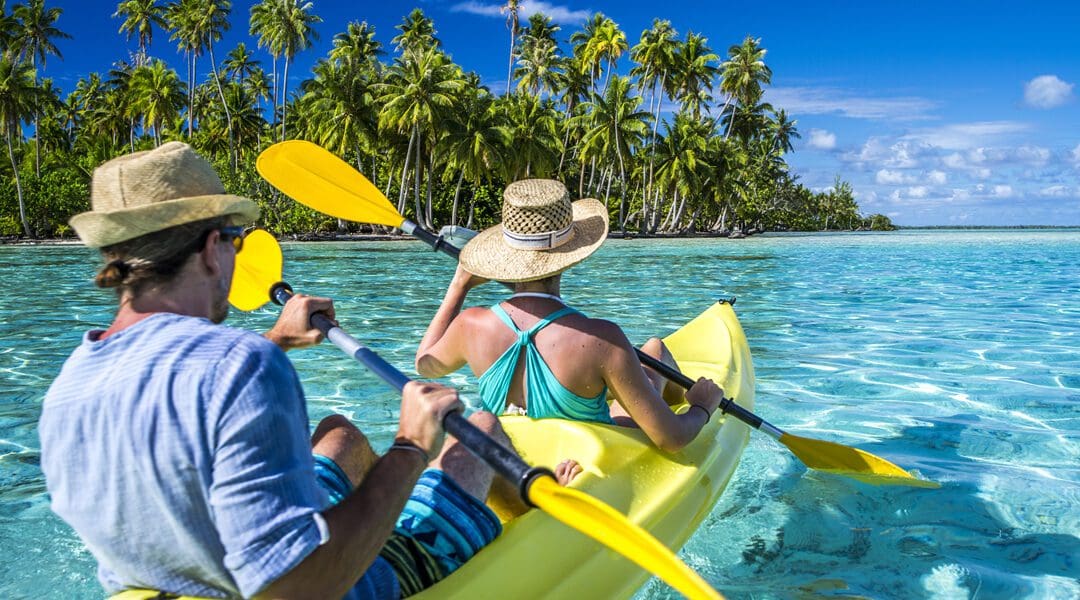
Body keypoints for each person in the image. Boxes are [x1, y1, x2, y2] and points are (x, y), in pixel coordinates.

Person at [40, 142, 512, 600]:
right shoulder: (241, 363)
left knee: (340, 435)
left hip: (172, 576)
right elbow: (298, 588)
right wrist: (410, 445)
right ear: (210, 249)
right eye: (234, 241)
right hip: (333, 584)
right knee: (481, 433)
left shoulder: (69, 381)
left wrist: (278, 340)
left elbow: (183, 393)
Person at [415, 179, 724, 453]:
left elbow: (425, 364)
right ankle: (685, 394)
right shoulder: (602, 339)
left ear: (507, 256)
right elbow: (671, 440)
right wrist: (701, 407)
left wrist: (459, 285)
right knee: (654, 349)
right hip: (586, 460)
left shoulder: (470, 325)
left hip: (513, 458)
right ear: (571, 255)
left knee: (651, 350)